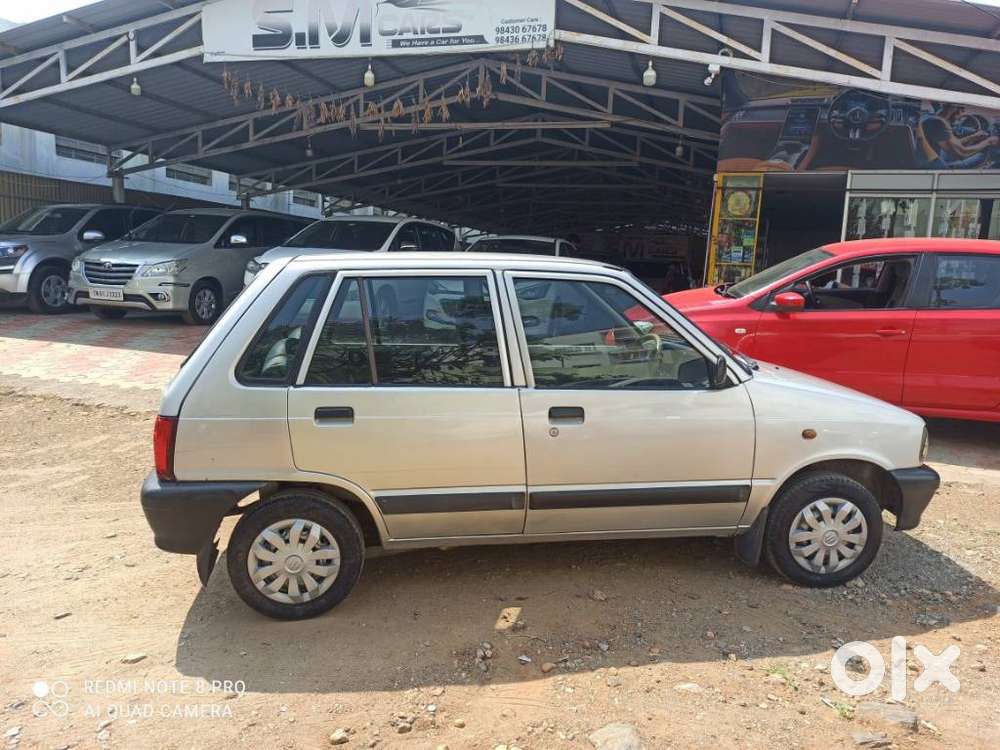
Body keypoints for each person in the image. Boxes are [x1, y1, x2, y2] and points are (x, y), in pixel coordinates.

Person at [917, 103, 998, 169]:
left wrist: (973, 137)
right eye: (962, 110)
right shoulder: (937, 123)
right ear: (956, 110)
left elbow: (951, 143)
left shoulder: (929, 117)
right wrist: (988, 142)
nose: (960, 118)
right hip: (938, 168)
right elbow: (962, 153)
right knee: (983, 155)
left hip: (931, 162)